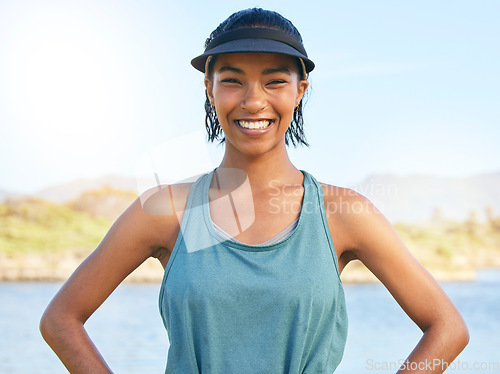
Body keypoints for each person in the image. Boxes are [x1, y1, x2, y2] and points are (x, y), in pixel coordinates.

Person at [40, 7, 469, 374]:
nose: (253, 100)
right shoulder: (168, 209)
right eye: (232, 80)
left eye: (274, 81)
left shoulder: (343, 213)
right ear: (209, 89)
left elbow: (447, 329)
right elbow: (61, 320)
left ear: (300, 91)